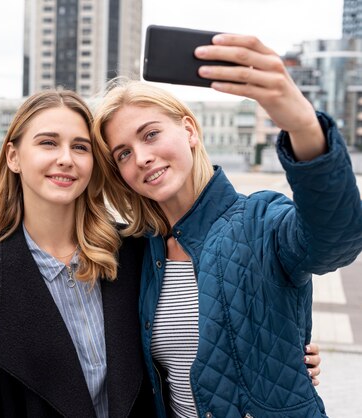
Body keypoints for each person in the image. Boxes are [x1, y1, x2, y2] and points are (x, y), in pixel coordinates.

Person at [92, 34, 362, 417]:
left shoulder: (261, 221)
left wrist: (303, 126)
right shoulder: (135, 251)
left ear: (189, 130)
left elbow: (336, 238)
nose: (143, 157)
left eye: (151, 134)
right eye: (124, 153)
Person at [0, 90, 155, 417]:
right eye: (48, 143)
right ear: (13, 157)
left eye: (80, 147)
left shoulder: (134, 252)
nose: (66, 158)